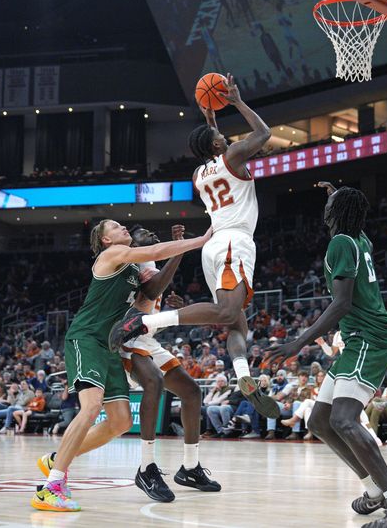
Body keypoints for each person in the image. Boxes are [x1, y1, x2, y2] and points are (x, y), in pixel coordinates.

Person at [109, 74, 279, 420]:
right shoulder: (230, 156)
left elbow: (217, 151)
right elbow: (263, 134)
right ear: (218, 145)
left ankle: (244, 377)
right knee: (230, 314)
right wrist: (237, 102)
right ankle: (149, 323)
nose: (225, 139)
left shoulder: (198, 176)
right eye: (220, 137)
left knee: (237, 324)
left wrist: (212, 123)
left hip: (214, 245)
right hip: (234, 241)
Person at [267, 183, 387, 528]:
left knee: (343, 419)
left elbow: (341, 303)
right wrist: (338, 195)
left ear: (336, 213)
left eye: (332, 205)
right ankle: (374, 491)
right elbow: (352, 214)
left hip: (367, 337)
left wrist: (300, 341)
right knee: (319, 421)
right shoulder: (359, 239)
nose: (325, 209)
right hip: (361, 338)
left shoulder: (341, 243)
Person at [32, 219, 211, 512]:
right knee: (90, 408)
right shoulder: (112, 255)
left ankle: (57, 457)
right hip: (87, 338)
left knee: (121, 422)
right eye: (115, 227)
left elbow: (141, 308)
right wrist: (198, 241)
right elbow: (158, 249)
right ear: (105, 240)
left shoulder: (132, 271)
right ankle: (51, 487)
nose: (123, 228)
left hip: (110, 347)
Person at [119, 224, 220, 500]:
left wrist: (168, 309)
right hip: (126, 341)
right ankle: (146, 467)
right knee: (154, 382)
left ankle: (189, 467)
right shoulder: (134, 262)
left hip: (146, 340)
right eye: (144, 233)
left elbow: (150, 317)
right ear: (133, 243)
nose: (152, 233)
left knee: (191, 391)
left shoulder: (151, 262)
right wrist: (179, 249)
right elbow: (152, 291)